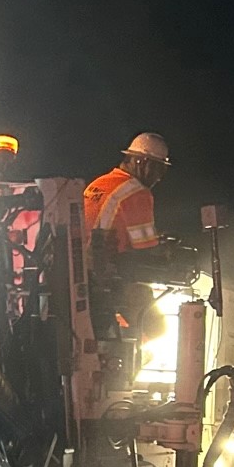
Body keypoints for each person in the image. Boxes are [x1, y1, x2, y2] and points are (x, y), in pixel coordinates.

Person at [82, 132, 177, 339]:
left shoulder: (99, 183)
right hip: (105, 274)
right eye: (158, 168)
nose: (159, 177)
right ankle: (128, 360)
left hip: (79, 272)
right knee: (155, 327)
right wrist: (168, 251)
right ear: (142, 162)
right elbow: (146, 249)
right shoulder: (138, 193)